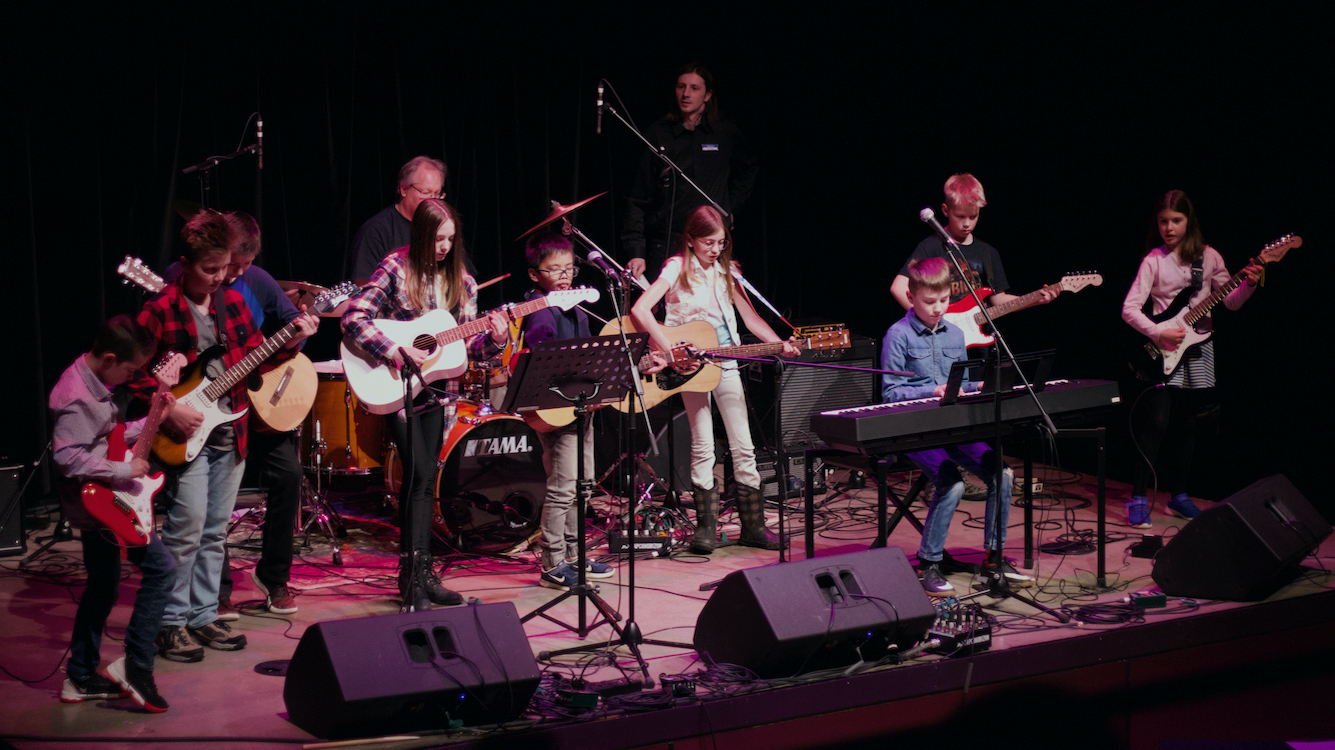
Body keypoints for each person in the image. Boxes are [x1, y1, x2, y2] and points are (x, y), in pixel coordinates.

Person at [132, 211, 317, 661]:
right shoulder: (161, 310)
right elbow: (133, 372)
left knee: (215, 531)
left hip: (230, 430)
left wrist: (291, 338)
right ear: (186, 263)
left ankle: (202, 616)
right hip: (186, 436)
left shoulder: (232, 303)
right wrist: (170, 407)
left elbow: (257, 356)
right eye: (208, 269)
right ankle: (170, 622)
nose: (218, 279)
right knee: (187, 528)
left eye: (223, 269)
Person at [341, 198, 507, 608]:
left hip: (440, 391)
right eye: (437, 239)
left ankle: (420, 574)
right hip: (399, 387)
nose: (444, 247)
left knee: (424, 480)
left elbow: (471, 348)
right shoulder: (396, 267)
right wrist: (395, 351)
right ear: (420, 236)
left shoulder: (463, 282)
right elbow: (354, 317)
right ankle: (413, 577)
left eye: (451, 239)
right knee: (415, 475)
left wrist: (497, 337)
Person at [631, 205, 796, 554]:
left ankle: (753, 526)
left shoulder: (728, 272)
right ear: (690, 240)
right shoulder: (676, 268)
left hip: (727, 360)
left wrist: (780, 345)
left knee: (743, 443)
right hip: (691, 364)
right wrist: (670, 349)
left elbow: (750, 320)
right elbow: (641, 310)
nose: (715, 249)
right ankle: (706, 528)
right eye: (708, 242)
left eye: (721, 242)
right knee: (703, 440)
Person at [164, 211, 305, 617]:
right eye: (221, 267)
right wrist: (171, 403)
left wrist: (296, 338)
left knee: (282, 481)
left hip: (243, 415)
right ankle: (193, 607)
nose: (228, 275)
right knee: (196, 521)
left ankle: (253, 589)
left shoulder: (247, 290)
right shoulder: (171, 296)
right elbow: (144, 366)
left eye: (235, 267)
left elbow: (267, 345)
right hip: (198, 421)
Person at [882, 257, 1032, 597]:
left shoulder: (955, 332)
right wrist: (928, 391)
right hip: (916, 429)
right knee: (952, 483)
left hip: (954, 427)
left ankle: (993, 560)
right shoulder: (898, 335)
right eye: (929, 302)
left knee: (1003, 473)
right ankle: (928, 563)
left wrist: (979, 386)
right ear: (911, 295)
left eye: (944, 300)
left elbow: (960, 383)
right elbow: (889, 392)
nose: (938, 309)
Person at [51, 316, 175, 712]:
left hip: (103, 500)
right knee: (162, 570)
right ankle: (137, 663)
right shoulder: (76, 396)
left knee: (103, 587)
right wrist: (123, 471)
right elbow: (68, 457)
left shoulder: (95, 383)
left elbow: (110, 439)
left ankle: (81, 676)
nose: (132, 376)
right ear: (108, 359)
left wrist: (156, 413)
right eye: (130, 369)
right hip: (98, 506)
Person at [1120, 190, 1262, 528]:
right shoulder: (1153, 260)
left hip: (1198, 348)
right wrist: (1158, 333)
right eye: (1163, 221)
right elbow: (1128, 309)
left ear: (1189, 221)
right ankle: (1138, 498)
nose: (1169, 227)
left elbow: (1230, 302)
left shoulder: (1209, 257)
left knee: (1187, 425)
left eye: (1176, 221)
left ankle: (1179, 496)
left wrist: (1250, 284)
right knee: (1155, 423)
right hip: (1162, 347)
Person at [519, 232, 618, 589]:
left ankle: (575, 557)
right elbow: (544, 353)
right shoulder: (541, 309)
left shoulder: (576, 308)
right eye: (554, 270)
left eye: (569, 268)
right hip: (555, 410)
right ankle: (552, 561)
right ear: (535, 275)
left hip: (580, 407)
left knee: (584, 484)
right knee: (562, 488)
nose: (564, 275)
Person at [623, 63, 758, 282]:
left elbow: (749, 167)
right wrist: (636, 251)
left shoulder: (724, 131)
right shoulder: (658, 134)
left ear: (708, 94)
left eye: (694, 88)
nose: (686, 94)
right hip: (667, 242)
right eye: (681, 87)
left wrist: (731, 207)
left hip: (710, 242)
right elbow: (637, 198)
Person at [890, 173, 1054, 311]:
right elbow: (898, 288)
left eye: (973, 216)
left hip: (978, 343)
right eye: (960, 216)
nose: (967, 223)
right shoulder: (930, 247)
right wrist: (926, 319)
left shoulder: (987, 252)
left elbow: (998, 300)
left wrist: (1033, 300)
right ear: (946, 210)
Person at [350, 156, 448, 281]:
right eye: (425, 192)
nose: (432, 200)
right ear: (404, 189)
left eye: (437, 194)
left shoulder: (442, 228)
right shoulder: (376, 231)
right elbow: (362, 285)